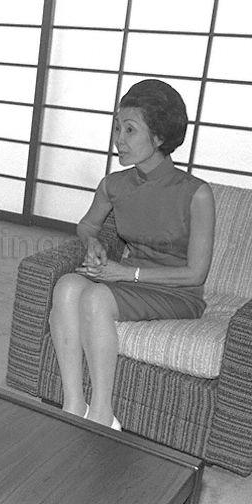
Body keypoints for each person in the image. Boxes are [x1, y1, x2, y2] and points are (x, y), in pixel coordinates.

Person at [48, 79, 215, 430]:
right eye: (116, 127)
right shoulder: (114, 184)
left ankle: (102, 413)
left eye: (130, 129)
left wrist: (126, 274)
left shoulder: (196, 194)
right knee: (65, 286)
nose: (118, 138)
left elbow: (195, 274)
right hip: (125, 279)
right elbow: (87, 225)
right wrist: (92, 244)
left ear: (159, 137)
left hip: (175, 291)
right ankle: (73, 404)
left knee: (94, 298)